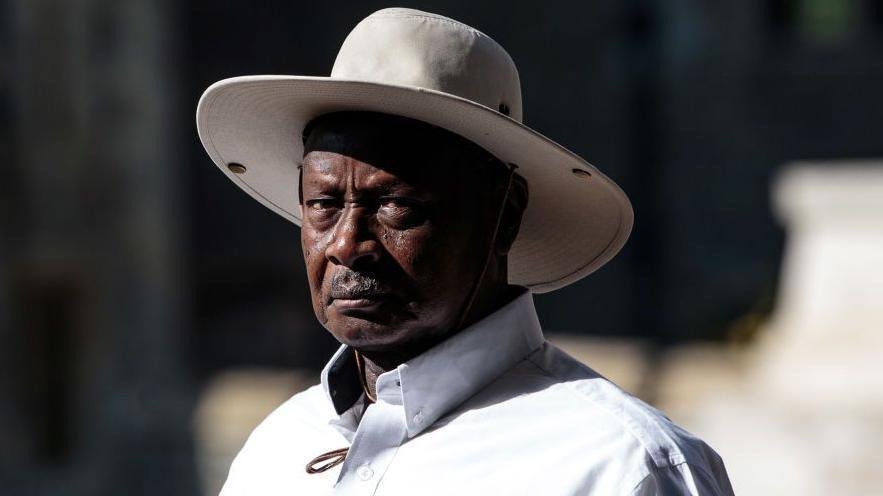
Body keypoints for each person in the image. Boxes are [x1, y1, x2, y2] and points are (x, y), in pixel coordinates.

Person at [196, 7, 734, 496]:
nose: (346, 245)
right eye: (323, 204)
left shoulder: (622, 467)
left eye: (396, 206)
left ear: (504, 213)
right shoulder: (279, 449)